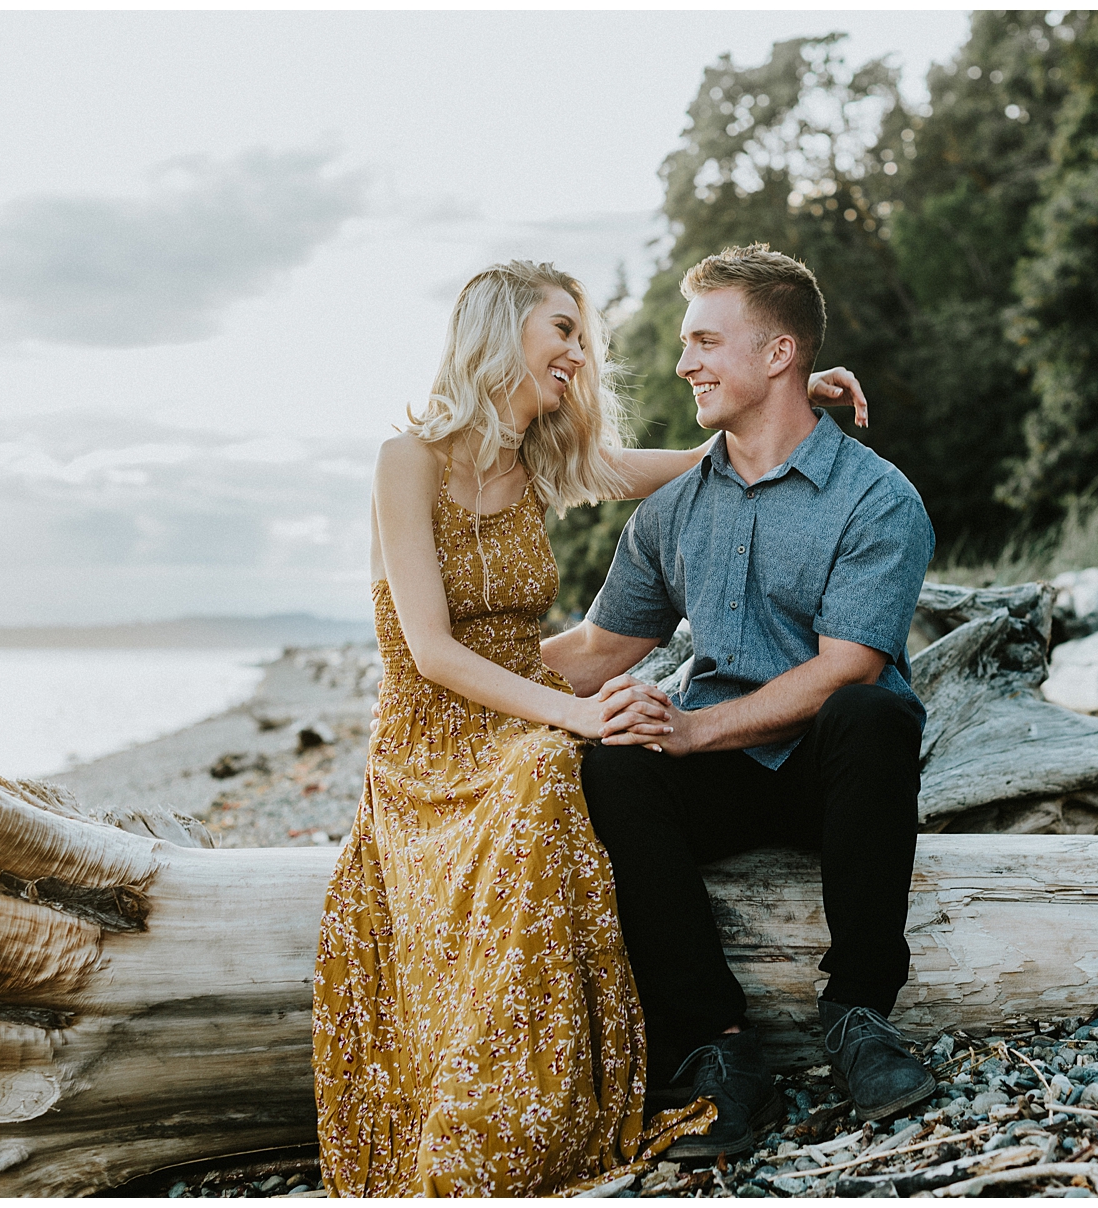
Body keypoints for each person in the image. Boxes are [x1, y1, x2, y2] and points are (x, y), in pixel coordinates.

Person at [311, 258, 870, 1196]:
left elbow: (708, 460)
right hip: (430, 739)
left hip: (519, 715)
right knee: (557, 764)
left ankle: (581, 1078)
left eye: (581, 335)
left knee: (588, 762)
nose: (578, 352)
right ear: (499, 333)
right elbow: (435, 652)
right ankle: (501, 1095)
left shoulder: (540, 461)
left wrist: (786, 393)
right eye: (562, 329)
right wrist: (573, 713)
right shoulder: (405, 461)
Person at [541, 244, 939, 1161]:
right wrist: (461, 672)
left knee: (873, 713)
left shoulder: (878, 498)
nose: (684, 363)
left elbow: (848, 667)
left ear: (778, 355)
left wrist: (690, 727)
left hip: (832, 774)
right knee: (611, 757)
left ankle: (857, 1018)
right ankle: (719, 1048)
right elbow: (603, 650)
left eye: (706, 341)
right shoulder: (677, 507)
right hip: (717, 775)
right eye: (687, 343)